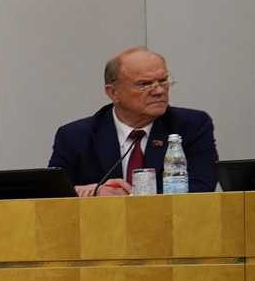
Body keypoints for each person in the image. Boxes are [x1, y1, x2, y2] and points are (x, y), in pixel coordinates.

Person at [47, 47, 218, 195]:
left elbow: (201, 188)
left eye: (163, 81)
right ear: (113, 93)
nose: (159, 91)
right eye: (144, 84)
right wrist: (95, 192)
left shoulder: (191, 126)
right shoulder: (75, 136)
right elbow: (51, 193)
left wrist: (128, 198)